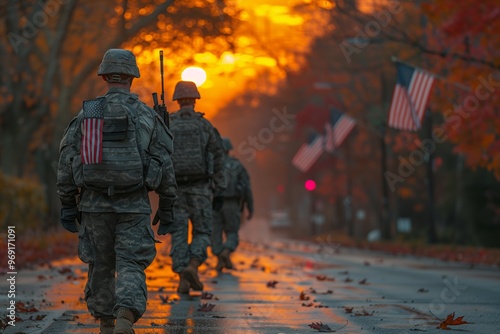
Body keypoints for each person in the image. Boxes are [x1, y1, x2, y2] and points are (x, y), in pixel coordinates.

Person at [56, 49, 177, 334]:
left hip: (94, 205)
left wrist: (67, 203)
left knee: (100, 264)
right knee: (131, 262)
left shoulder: (89, 113)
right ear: (131, 78)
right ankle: (125, 315)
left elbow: (67, 158)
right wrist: (168, 204)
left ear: (104, 76)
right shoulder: (146, 115)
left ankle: (106, 324)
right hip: (134, 204)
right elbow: (166, 162)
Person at [168, 80, 226, 294]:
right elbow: (219, 156)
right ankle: (193, 265)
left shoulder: (169, 124)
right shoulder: (204, 125)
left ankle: (183, 275)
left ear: (177, 99)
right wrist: (219, 188)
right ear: (195, 99)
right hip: (201, 189)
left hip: (176, 191)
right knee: (202, 231)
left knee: (178, 233)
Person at [211, 137, 254, 271]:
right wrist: (250, 207)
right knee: (232, 232)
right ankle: (226, 252)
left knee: (215, 233)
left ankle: (220, 256)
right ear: (229, 149)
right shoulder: (237, 165)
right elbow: (247, 188)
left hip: (214, 204)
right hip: (232, 204)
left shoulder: (212, 165)